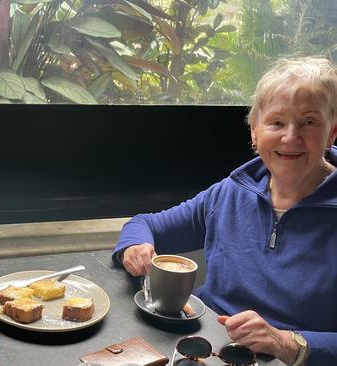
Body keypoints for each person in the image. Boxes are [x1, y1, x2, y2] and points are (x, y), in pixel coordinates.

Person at [113, 57, 337, 366]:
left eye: (309, 122)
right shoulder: (229, 193)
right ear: (255, 132)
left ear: (332, 133)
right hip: (202, 349)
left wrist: (289, 342)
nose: (290, 136)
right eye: (276, 122)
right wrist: (135, 247)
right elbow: (144, 224)